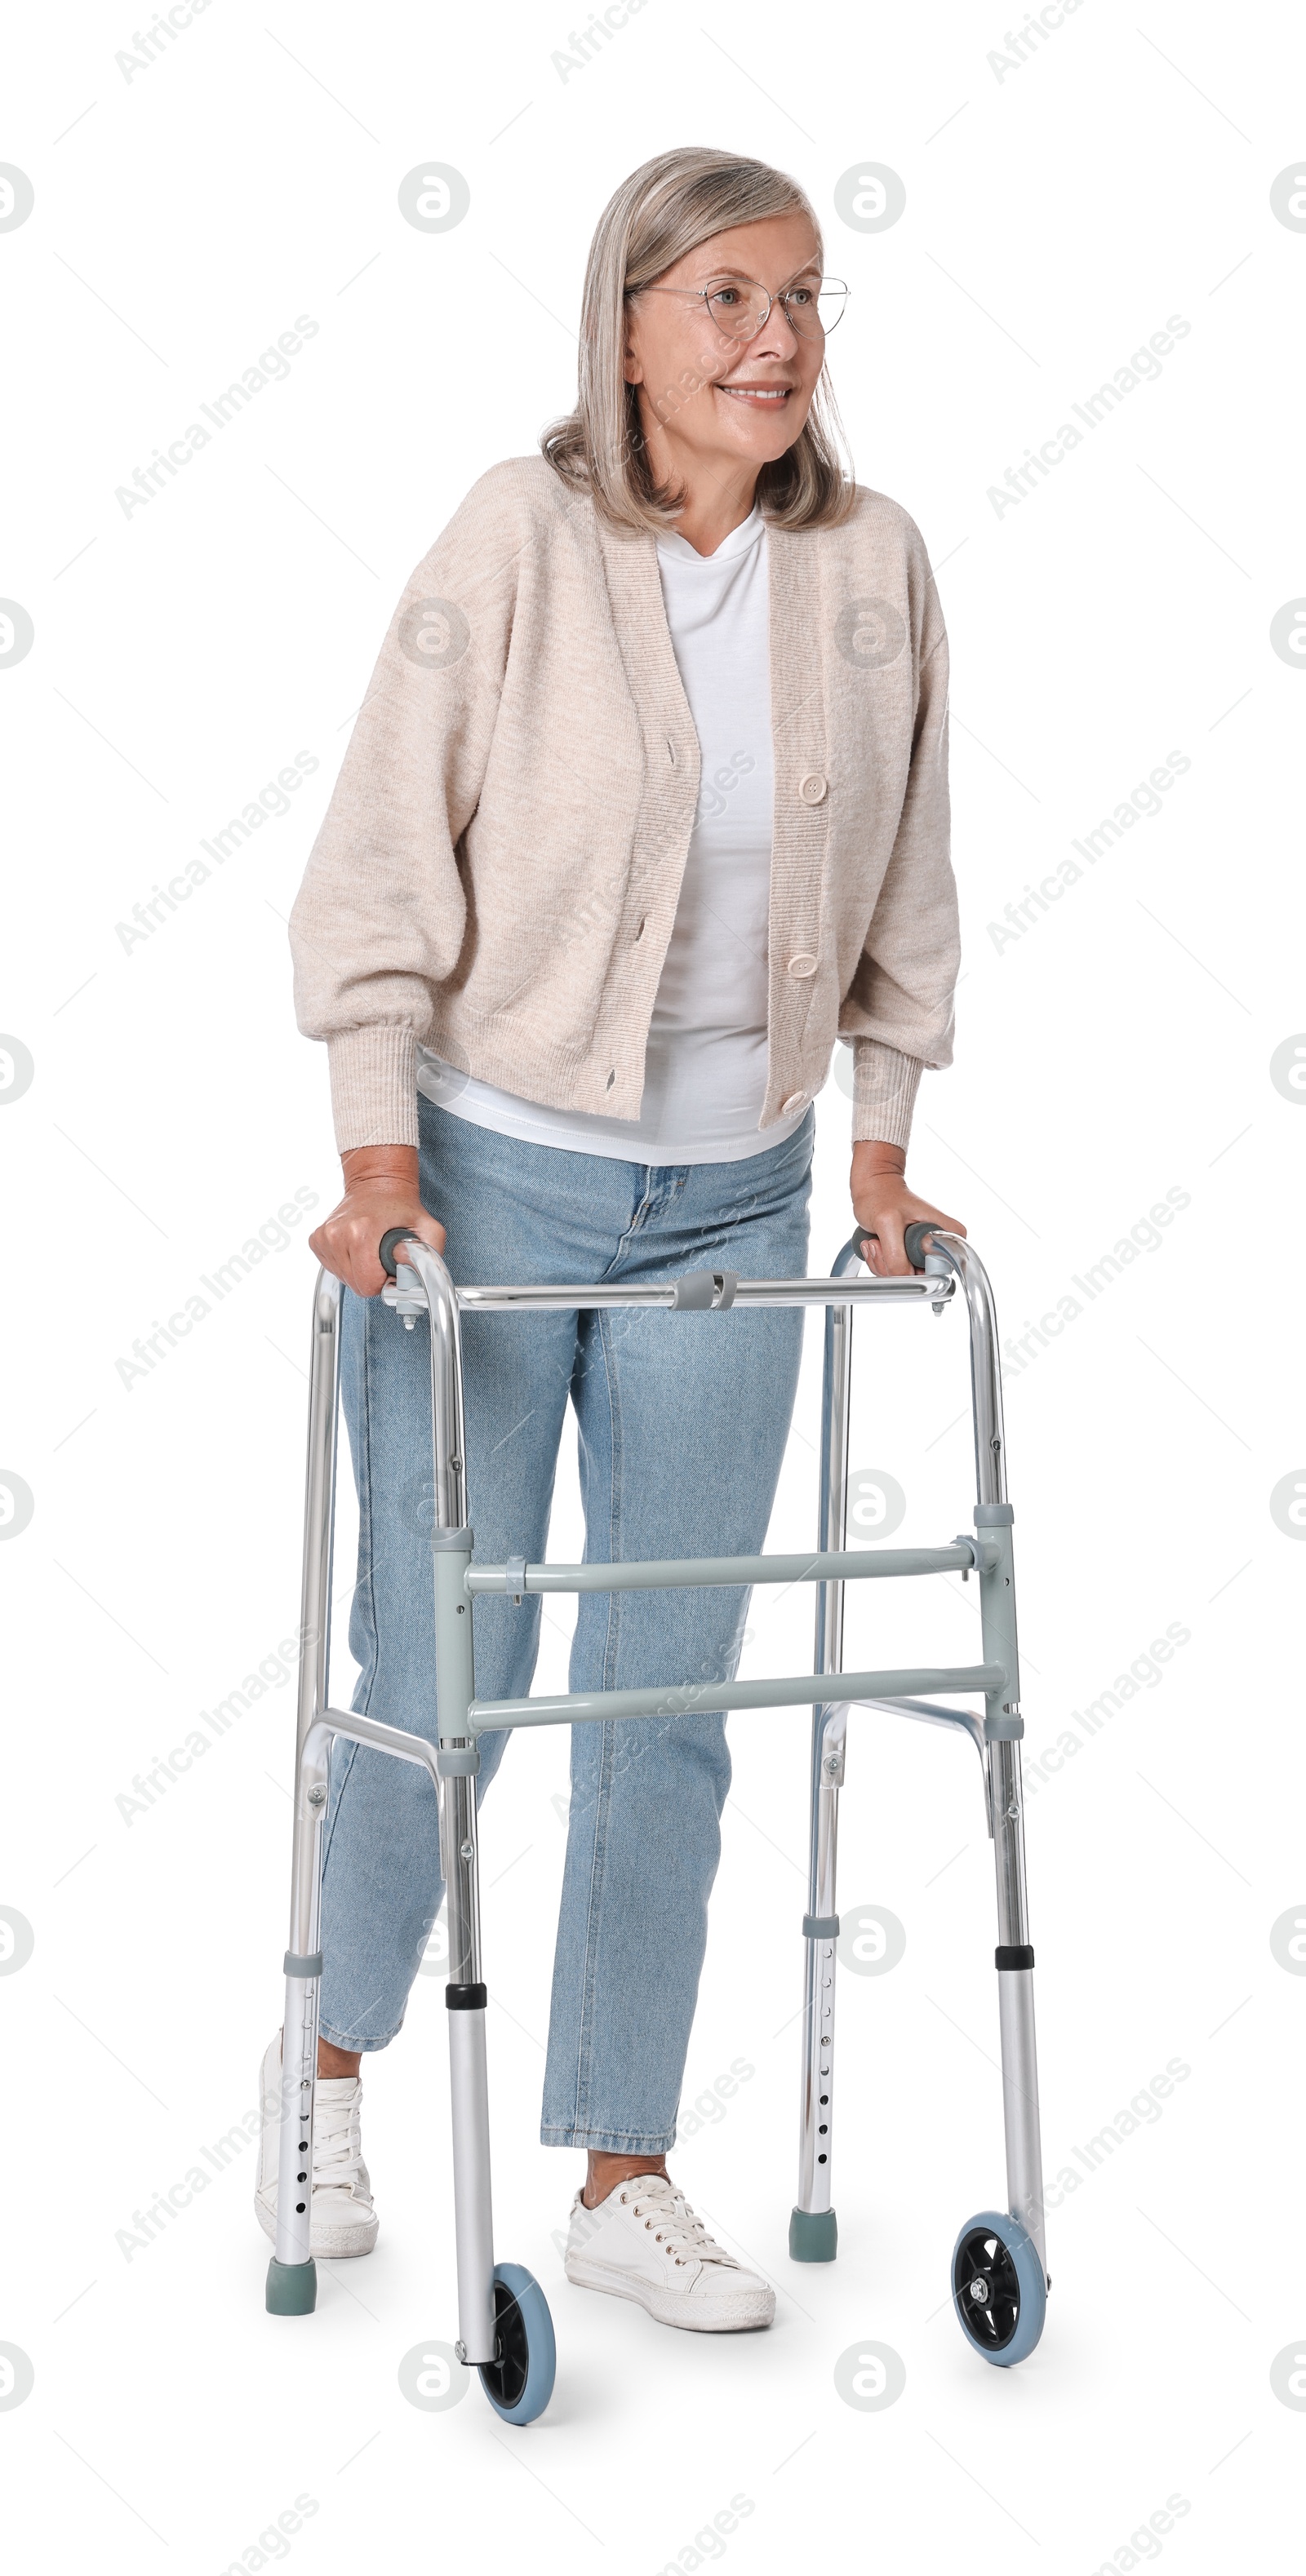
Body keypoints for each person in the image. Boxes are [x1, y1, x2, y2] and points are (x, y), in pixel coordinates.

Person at [259, 144, 963, 2334]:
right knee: (442, 1676)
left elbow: (911, 889)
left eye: (806, 299)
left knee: (670, 1703)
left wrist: (877, 1151)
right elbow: (379, 862)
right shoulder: (519, 534)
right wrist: (377, 1164)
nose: (778, 341)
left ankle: (623, 2168)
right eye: (729, 298)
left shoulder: (874, 568)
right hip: (484, 1192)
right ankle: (331, 2068)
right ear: (630, 319)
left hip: (733, 1212)